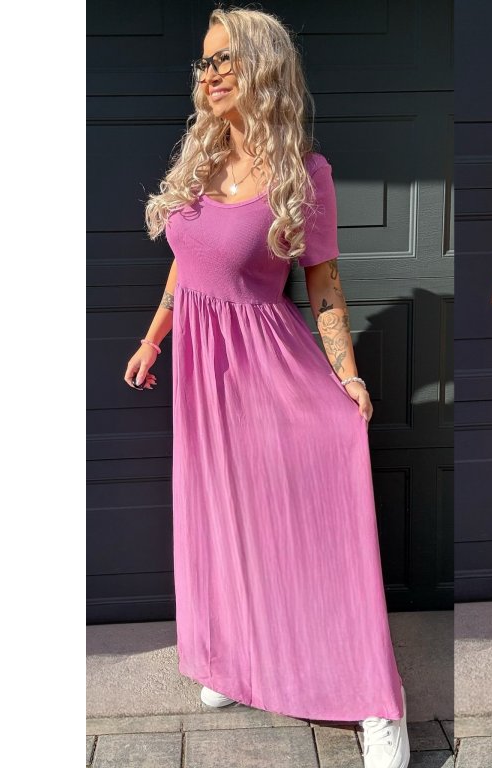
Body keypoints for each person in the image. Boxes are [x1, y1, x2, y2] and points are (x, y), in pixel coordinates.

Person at [122, 8, 409, 768]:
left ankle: (376, 702)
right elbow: (187, 265)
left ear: (263, 66)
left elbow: (324, 286)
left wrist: (347, 375)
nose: (210, 74)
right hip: (205, 376)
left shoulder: (303, 175)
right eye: (205, 61)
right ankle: (237, 660)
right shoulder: (199, 163)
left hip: (269, 365)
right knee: (226, 518)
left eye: (225, 59)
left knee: (317, 529)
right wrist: (155, 337)